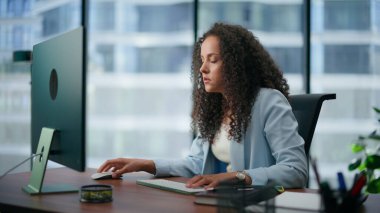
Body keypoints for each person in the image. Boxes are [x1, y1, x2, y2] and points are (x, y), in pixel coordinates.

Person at [97, 22, 308, 189]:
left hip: (256, 204)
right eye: (202, 60)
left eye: (213, 60)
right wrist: (146, 164)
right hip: (223, 201)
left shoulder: (268, 101)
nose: (202, 69)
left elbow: (295, 170)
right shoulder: (217, 108)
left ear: (236, 64)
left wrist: (236, 176)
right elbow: (195, 164)